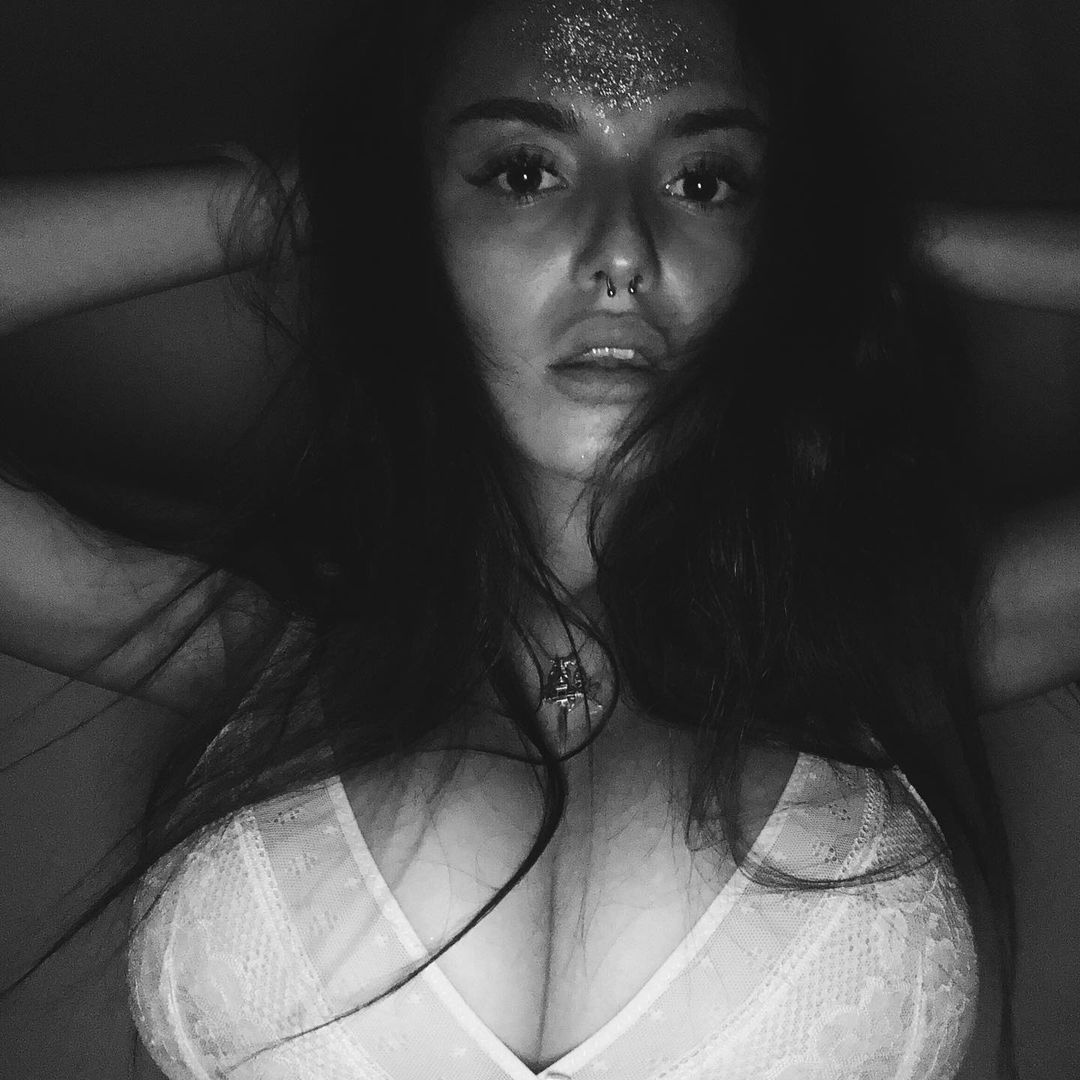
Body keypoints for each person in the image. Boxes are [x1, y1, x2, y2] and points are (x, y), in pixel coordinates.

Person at [2, 0, 1080, 1077]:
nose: (621, 251)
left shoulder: (896, 641)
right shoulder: (257, 648)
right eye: (523, 171)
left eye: (705, 181)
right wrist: (321, 197)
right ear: (416, 217)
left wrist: (871, 234)